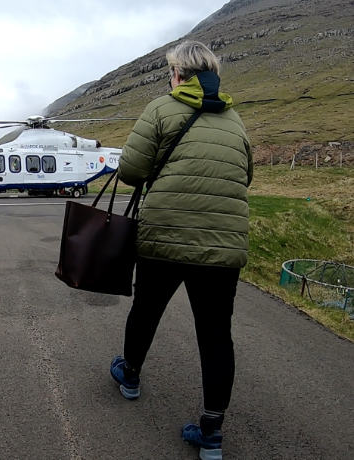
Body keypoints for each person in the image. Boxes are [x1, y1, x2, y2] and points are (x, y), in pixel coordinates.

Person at [110, 40, 252, 460]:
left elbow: (132, 171)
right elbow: (244, 177)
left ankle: (130, 377)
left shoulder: (160, 108)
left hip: (164, 237)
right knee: (215, 335)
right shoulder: (235, 119)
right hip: (223, 245)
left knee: (147, 311)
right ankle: (211, 432)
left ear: (177, 74)